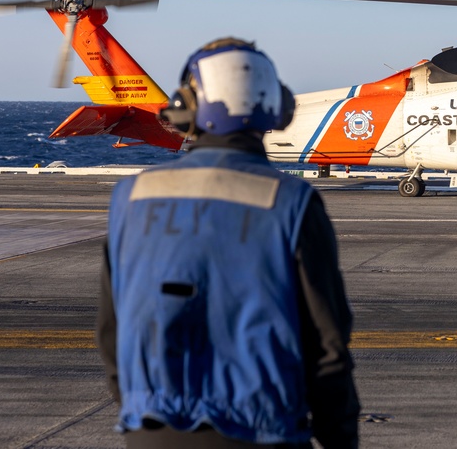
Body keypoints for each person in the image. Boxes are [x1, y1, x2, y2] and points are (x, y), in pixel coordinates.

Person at [96, 38, 359, 448]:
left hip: (151, 429)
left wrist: (140, 409)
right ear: (276, 108)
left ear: (186, 106)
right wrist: (339, 436)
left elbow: (112, 329)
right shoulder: (291, 202)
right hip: (261, 431)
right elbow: (328, 346)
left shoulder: (130, 197)